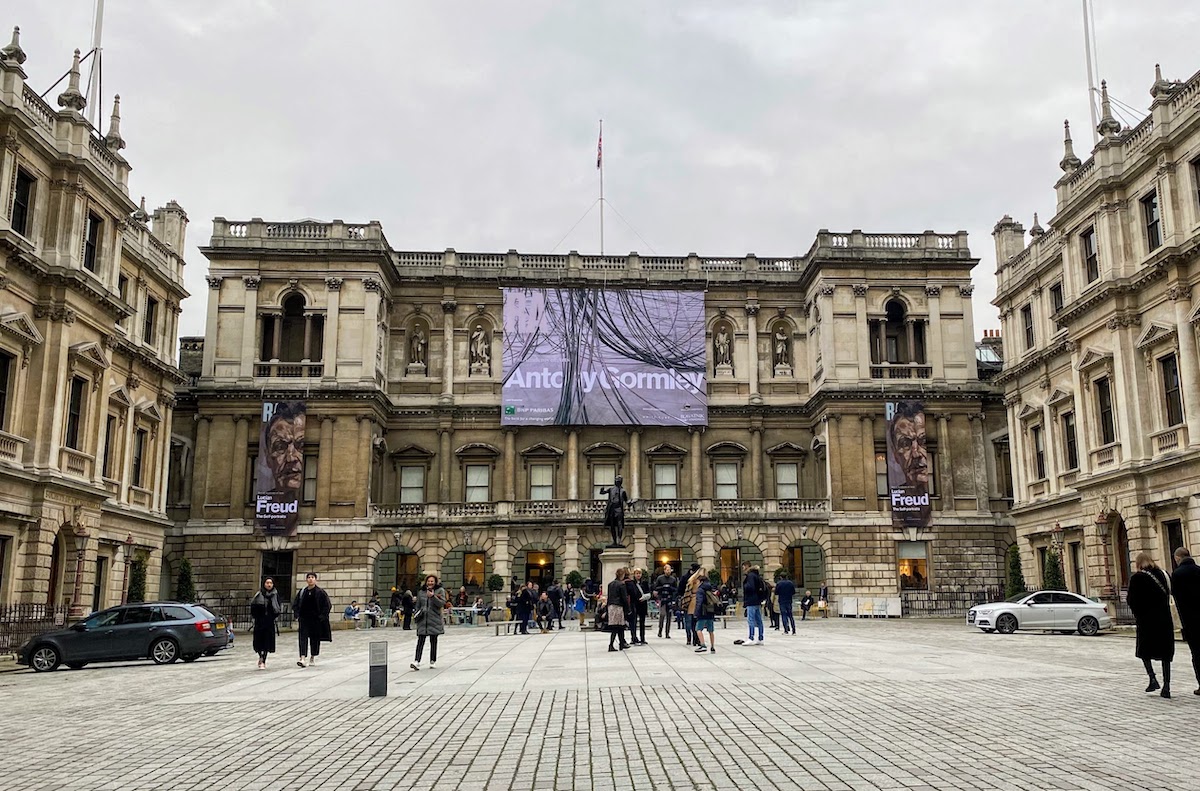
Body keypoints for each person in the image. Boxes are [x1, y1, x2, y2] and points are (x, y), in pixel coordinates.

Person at [1126, 552, 1175, 698]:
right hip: (1164, 619)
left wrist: (1138, 614)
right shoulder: (1164, 575)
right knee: (1166, 654)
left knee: (1144, 651)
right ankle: (1167, 686)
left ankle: (1152, 677)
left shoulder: (1137, 578)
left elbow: (1131, 600)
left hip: (1146, 620)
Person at [1170, 547, 1200, 696]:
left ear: (1177, 558)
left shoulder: (1177, 574)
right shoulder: (1199, 570)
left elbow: (1175, 597)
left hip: (1189, 620)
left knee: (1196, 653)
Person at [293, 572, 331, 668]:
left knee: (315, 639)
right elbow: (296, 604)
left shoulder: (320, 592)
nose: (310, 579)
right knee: (303, 638)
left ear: (315, 579)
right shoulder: (302, 592)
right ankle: (302, 658)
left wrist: (322, 617)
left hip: (316, 620)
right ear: (306, 580)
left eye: (312, 577)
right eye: (308, 577)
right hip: (304, 619)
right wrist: (297, 614)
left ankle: (312, 657)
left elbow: (327, 606)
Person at [410, 574, 446, 671]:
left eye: (432, 581)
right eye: (428, 581)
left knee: (433, 641)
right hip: (423, 619)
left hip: (434, 619)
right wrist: (416, 614)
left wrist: (433, 596)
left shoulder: (440, 591)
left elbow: (441, 603)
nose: (430, 583)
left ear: (435, 582)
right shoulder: (421, 592)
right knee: (420, 640)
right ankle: (416, 661)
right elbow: (418, 605)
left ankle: (432, 660)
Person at [250, 577, 281, 669]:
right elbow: (253, 607)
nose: (269, 584)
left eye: (270, 583)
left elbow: (278, 608)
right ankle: (260, 655)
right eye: (267, 583)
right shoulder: (258, 595)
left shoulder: (275, 595)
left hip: (269, 622)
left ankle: (263, 659)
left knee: (267, 642)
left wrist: (273, 616)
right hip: (259, 622)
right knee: (259, 641)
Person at [600, 476, 632, 547]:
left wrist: (631, 502)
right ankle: (614, 541)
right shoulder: (611, 489)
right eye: (617, 480)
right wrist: (601, 489)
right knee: (612, 526)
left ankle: (619, 540)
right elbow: (602, 492)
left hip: (619, 510)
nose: (617, 482)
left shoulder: (623, 491)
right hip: (611, 509)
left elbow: (627, 501)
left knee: (620, 525)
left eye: (619, 481)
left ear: (621, 482)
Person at [693, 566, 717, 654]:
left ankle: (703, 645)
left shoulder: (700, 589)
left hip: (703, 611)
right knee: (711, 630)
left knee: (698, 629)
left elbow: (699, 602)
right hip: (710, 611)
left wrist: (696, 612)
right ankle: (712, 646)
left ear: (699, 581)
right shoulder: (710, 587)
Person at [741, 562, 766, 645]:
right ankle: (760, 638)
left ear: (747, 566)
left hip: (751, 600)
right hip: (757, 600)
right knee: (759, 620)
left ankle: (751, 638)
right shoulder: (756, 575)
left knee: (750, 619)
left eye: (743, 567)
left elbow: (750, 587)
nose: (743, 569)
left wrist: (745, 586)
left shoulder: (750, 576)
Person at [606, 568, 631, 651]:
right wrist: (628, 609)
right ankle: (612, 645)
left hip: (611, 606)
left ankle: (621, 644)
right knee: (618, 626)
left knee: (619, 626)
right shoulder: (621, 585)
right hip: (618, 606)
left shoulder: (610, 584)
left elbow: (609, 596)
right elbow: (624, 598)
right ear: (622, 575)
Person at [654, 564, 679, 638]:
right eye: (667, 570)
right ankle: (660, 630)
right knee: (662, 615)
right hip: (662, 599)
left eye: (669, 570)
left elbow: (675, 589)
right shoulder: (660, 578)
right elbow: (656, 587)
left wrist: (670, 588)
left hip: (670, 599)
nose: (668, 571)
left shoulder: (673, 579)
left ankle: (667, 632)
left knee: (669, 616)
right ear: (664, 570)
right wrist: (662, 587)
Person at [682, 567, 703, 648]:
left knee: (691, 622)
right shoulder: (699, 581)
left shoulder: (691, 580)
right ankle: (696, 639)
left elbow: (686, 591)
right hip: (696, 601)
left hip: (691, 602)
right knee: (696, 621)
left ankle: (691, 639)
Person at [679, 563, 699, 646]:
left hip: (688, 601)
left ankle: (691, 638)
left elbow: (680, 590)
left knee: (689, 621)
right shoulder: (695, 579)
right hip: (692, 601)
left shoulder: (685, 577)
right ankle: (693, 638)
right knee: (692, 621)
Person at [630, 568, 651, 645]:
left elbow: (649, 593)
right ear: (634, 574)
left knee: (642, 622)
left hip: (642, 604)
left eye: (639, 573)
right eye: (637, 573)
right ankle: (634, 638)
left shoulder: (644, 583)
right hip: (634, 604)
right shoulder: (632, 583)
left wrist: (644, 597)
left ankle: (642, 638)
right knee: (634, 622)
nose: (638, 575)